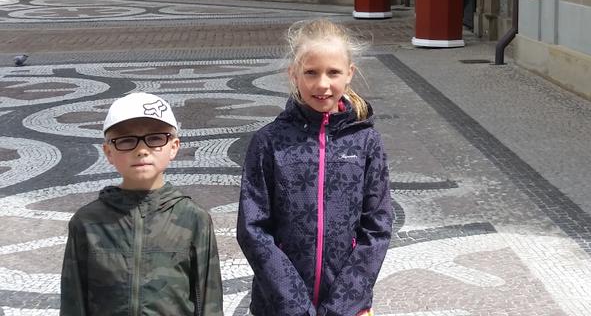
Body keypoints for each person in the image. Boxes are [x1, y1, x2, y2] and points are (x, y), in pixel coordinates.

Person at [237, 18, 393, 316]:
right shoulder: (268, 142)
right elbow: (253, 228)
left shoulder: (366, 142)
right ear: (293, 74)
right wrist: (294, 305)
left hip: (349, 307)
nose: (322, 84)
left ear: (349, 74)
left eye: (333, 72)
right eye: (310, 72)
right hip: (280, 307)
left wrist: (343, 305)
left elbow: (377, 227)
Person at [60, 91, 224, 316]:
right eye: (126, 141)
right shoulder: (87, 222)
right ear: (108, 151)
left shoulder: (194, 218)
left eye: (156, 138)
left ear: (174, 147)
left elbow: (209, 301)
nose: (142, 150)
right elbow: (73, 301)